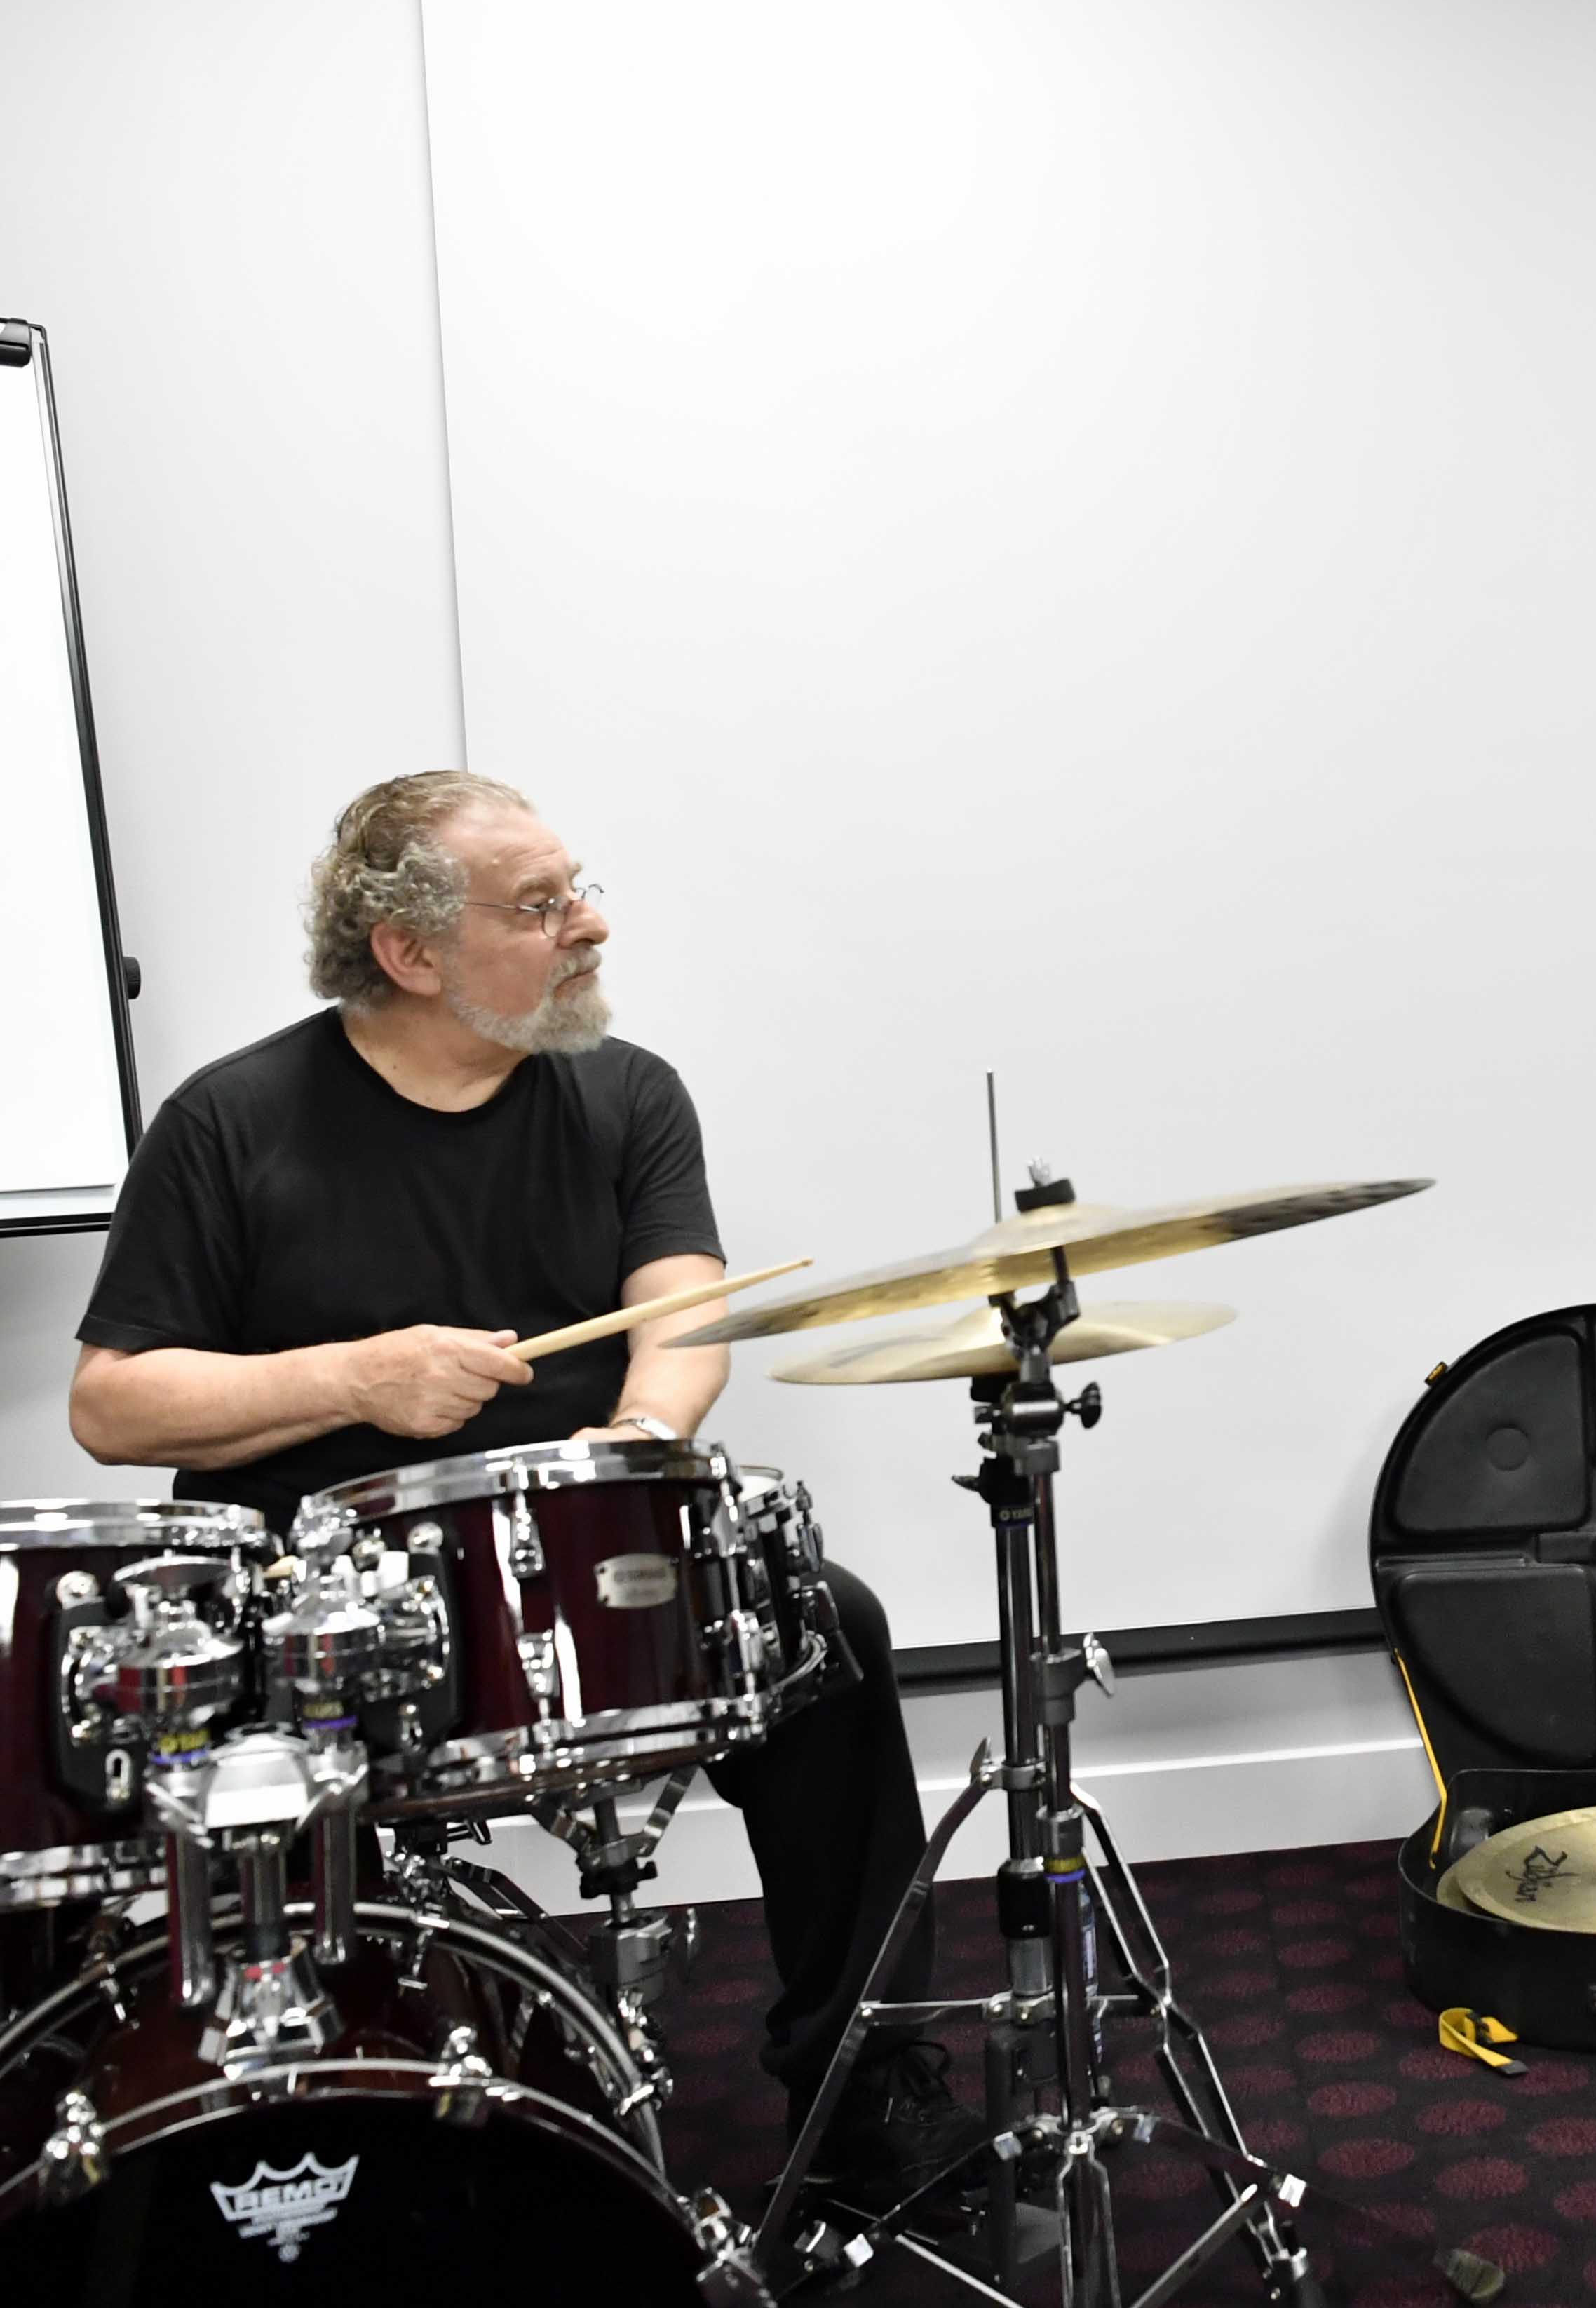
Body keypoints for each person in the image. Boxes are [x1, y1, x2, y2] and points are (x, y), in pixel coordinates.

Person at [67, 769, 974, 2205]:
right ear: (409, 951)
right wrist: (353, 1378)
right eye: (540, 906)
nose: (589, 924)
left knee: (831, 1632)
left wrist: (631, 1447)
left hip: (575, 1545)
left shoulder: (627, 1092)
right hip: (318, 1607)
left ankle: (861, 2081)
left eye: (579, 889)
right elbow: (110, 1403)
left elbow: (683, 1315)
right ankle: (308, 2130)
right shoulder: (231, 1120)